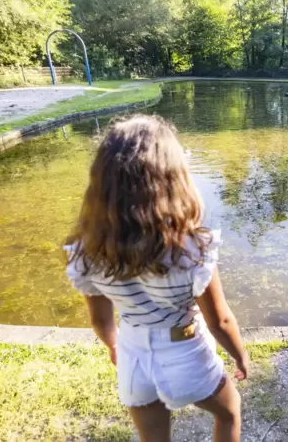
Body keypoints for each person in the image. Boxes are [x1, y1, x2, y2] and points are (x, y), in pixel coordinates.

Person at [64, 115, 248, 442]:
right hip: (186, 354)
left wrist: (113, 345)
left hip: (133, 357)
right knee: (229, 411)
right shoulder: (192, 249)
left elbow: (100, 320)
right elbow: (220, 320)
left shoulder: (88, 251)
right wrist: (239, 355)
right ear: (172, 179)